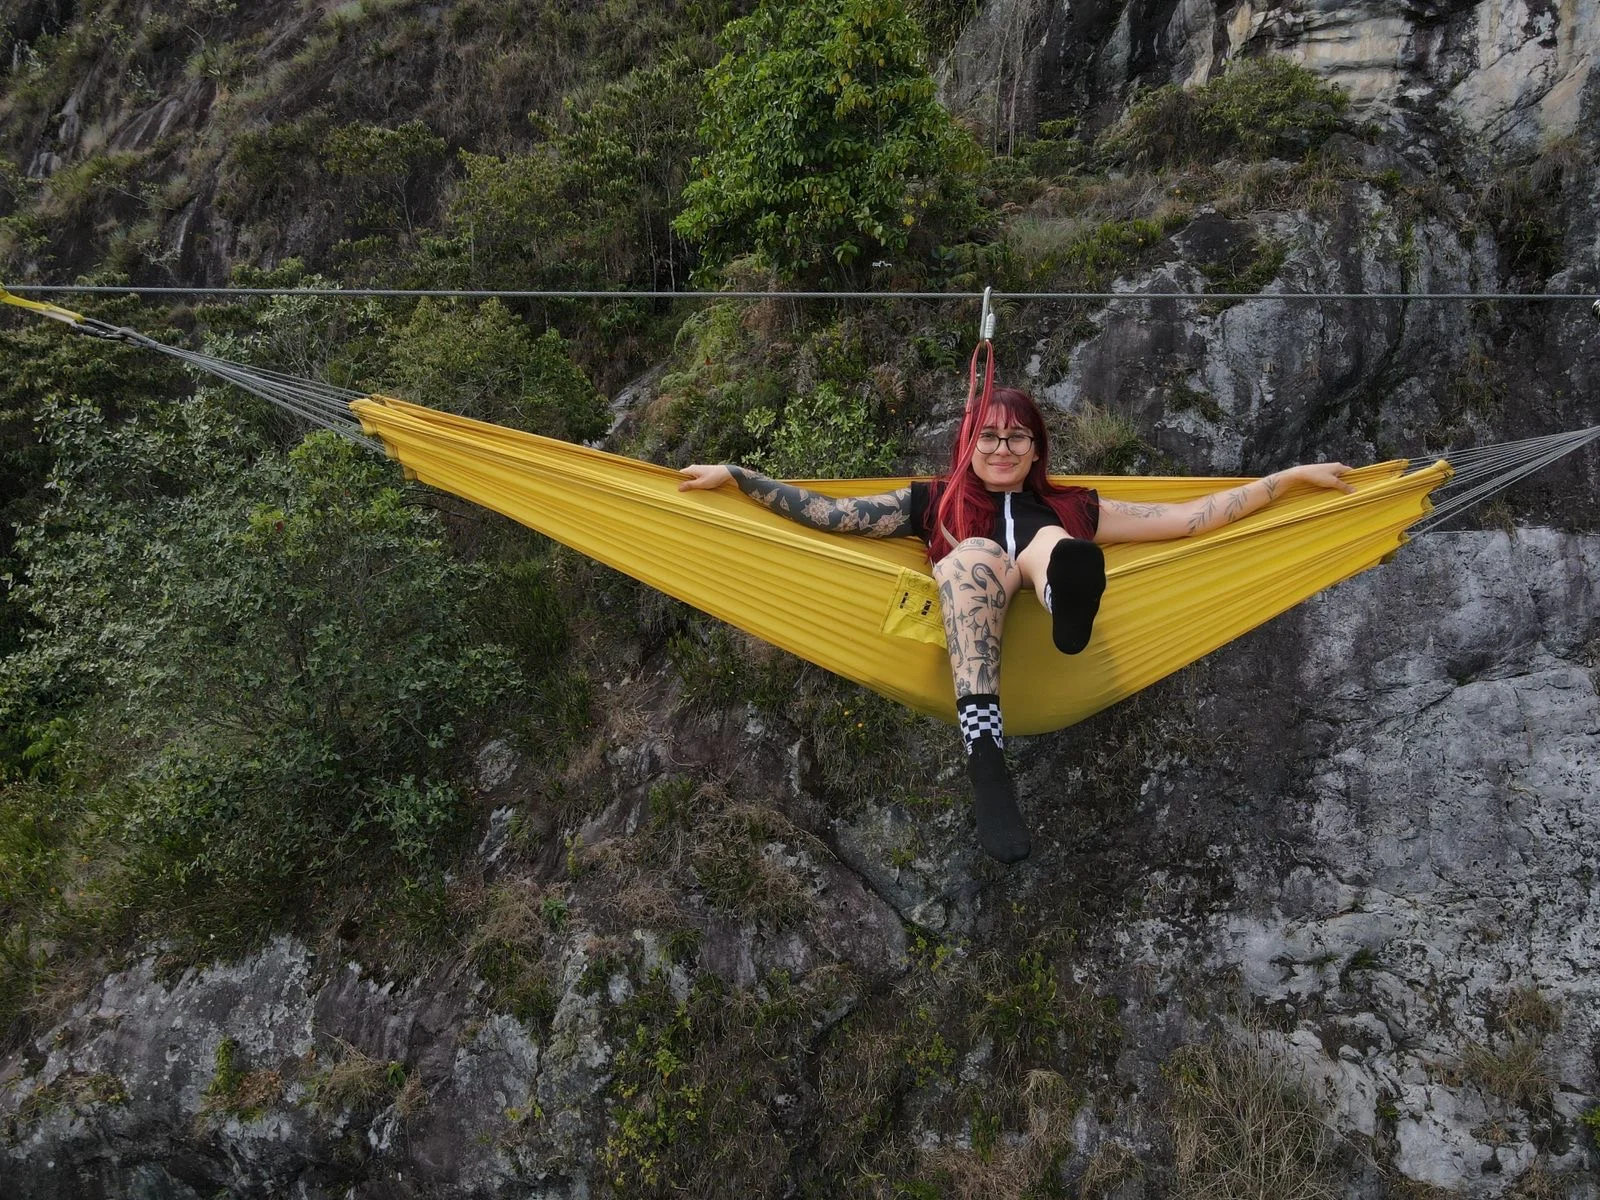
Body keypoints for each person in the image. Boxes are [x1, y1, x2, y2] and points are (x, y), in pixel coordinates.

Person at [678, 385, 1354, 864]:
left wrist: (1289, 479)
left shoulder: (1074, 504)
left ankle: (1068, 600)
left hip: (1041, 589)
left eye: (1016, 437)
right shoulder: (932, 502)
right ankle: (987, 759)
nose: (1002, 448)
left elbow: (1190, 518)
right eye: (989, 436)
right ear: (968, 445)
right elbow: (830, 515)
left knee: (1055, 543)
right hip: (973, 605)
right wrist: (740, 477)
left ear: (1036, 450)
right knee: (975, 557)